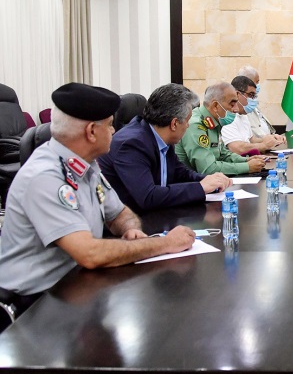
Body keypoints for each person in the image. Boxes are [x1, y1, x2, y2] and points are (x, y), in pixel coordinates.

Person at [0, 83, 196, 320]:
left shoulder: (87, 165)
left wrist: (131, 229)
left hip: (76, 286)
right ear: (91, 131)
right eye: (110, 125)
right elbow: (89, 253)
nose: (115, 131)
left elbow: (119, 213)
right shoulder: (46, 177)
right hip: (33, 305)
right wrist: (165, 244)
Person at [98, 83, 232, 213]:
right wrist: (200, 188)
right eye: (187, 121)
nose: (188, 126)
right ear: (174, 124)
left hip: (157, 215)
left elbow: (180, 173)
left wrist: (210, 180)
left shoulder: (161, 137)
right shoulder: (132, 144)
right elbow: (148, 197)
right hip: (130, 226)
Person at [175, 82, 268, 175]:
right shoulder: (196, 124)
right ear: (215, 106)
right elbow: (208, 169)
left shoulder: (214, 122)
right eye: (232, 104)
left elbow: (223, 154)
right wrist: (247, 167)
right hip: (188, 184)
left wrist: (246, 160)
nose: (236, 109)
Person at [221, 75, 285, 155]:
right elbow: (237, 148)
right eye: (251, 95)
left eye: (254, 96)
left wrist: (270, 139)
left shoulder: (244, 115)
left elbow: (252, 140)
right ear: (237, 94)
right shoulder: (227, 117)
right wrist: (264, 145)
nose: (253, 99)